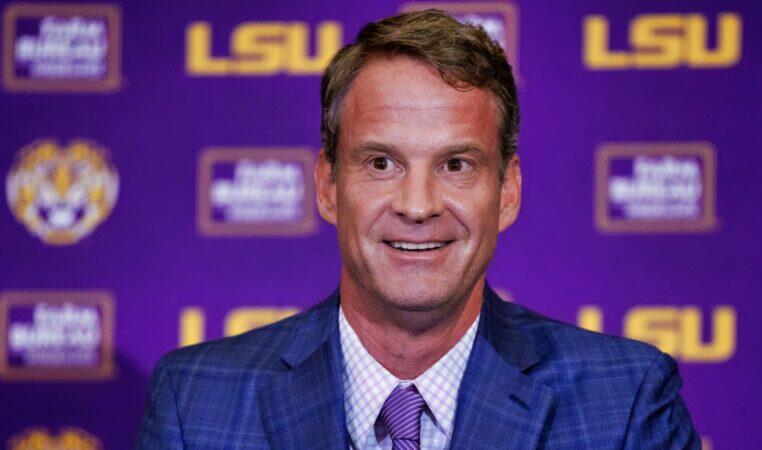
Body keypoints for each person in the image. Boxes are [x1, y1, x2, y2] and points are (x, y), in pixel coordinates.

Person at [137, 10, 700, 449]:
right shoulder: (198, 402)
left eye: (456, 165)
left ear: (507, 191)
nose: (417, 205)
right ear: (328, 185)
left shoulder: (623, 403)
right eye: (382, 163)